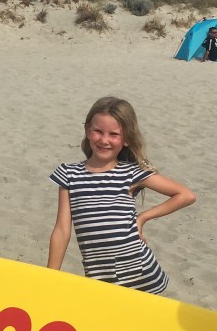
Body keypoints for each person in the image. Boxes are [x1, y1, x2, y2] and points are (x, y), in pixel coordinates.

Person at [47, 96, 196, 293]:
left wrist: (142, 218)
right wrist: (49, 279)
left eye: (114, 134)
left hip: (142, 276)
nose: (104, 140)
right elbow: (62, 231)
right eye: (98, 131)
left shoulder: (131, 173)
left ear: (126, 139)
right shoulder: (69, 174)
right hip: (100, 277)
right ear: (87, 131)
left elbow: (185, 195)